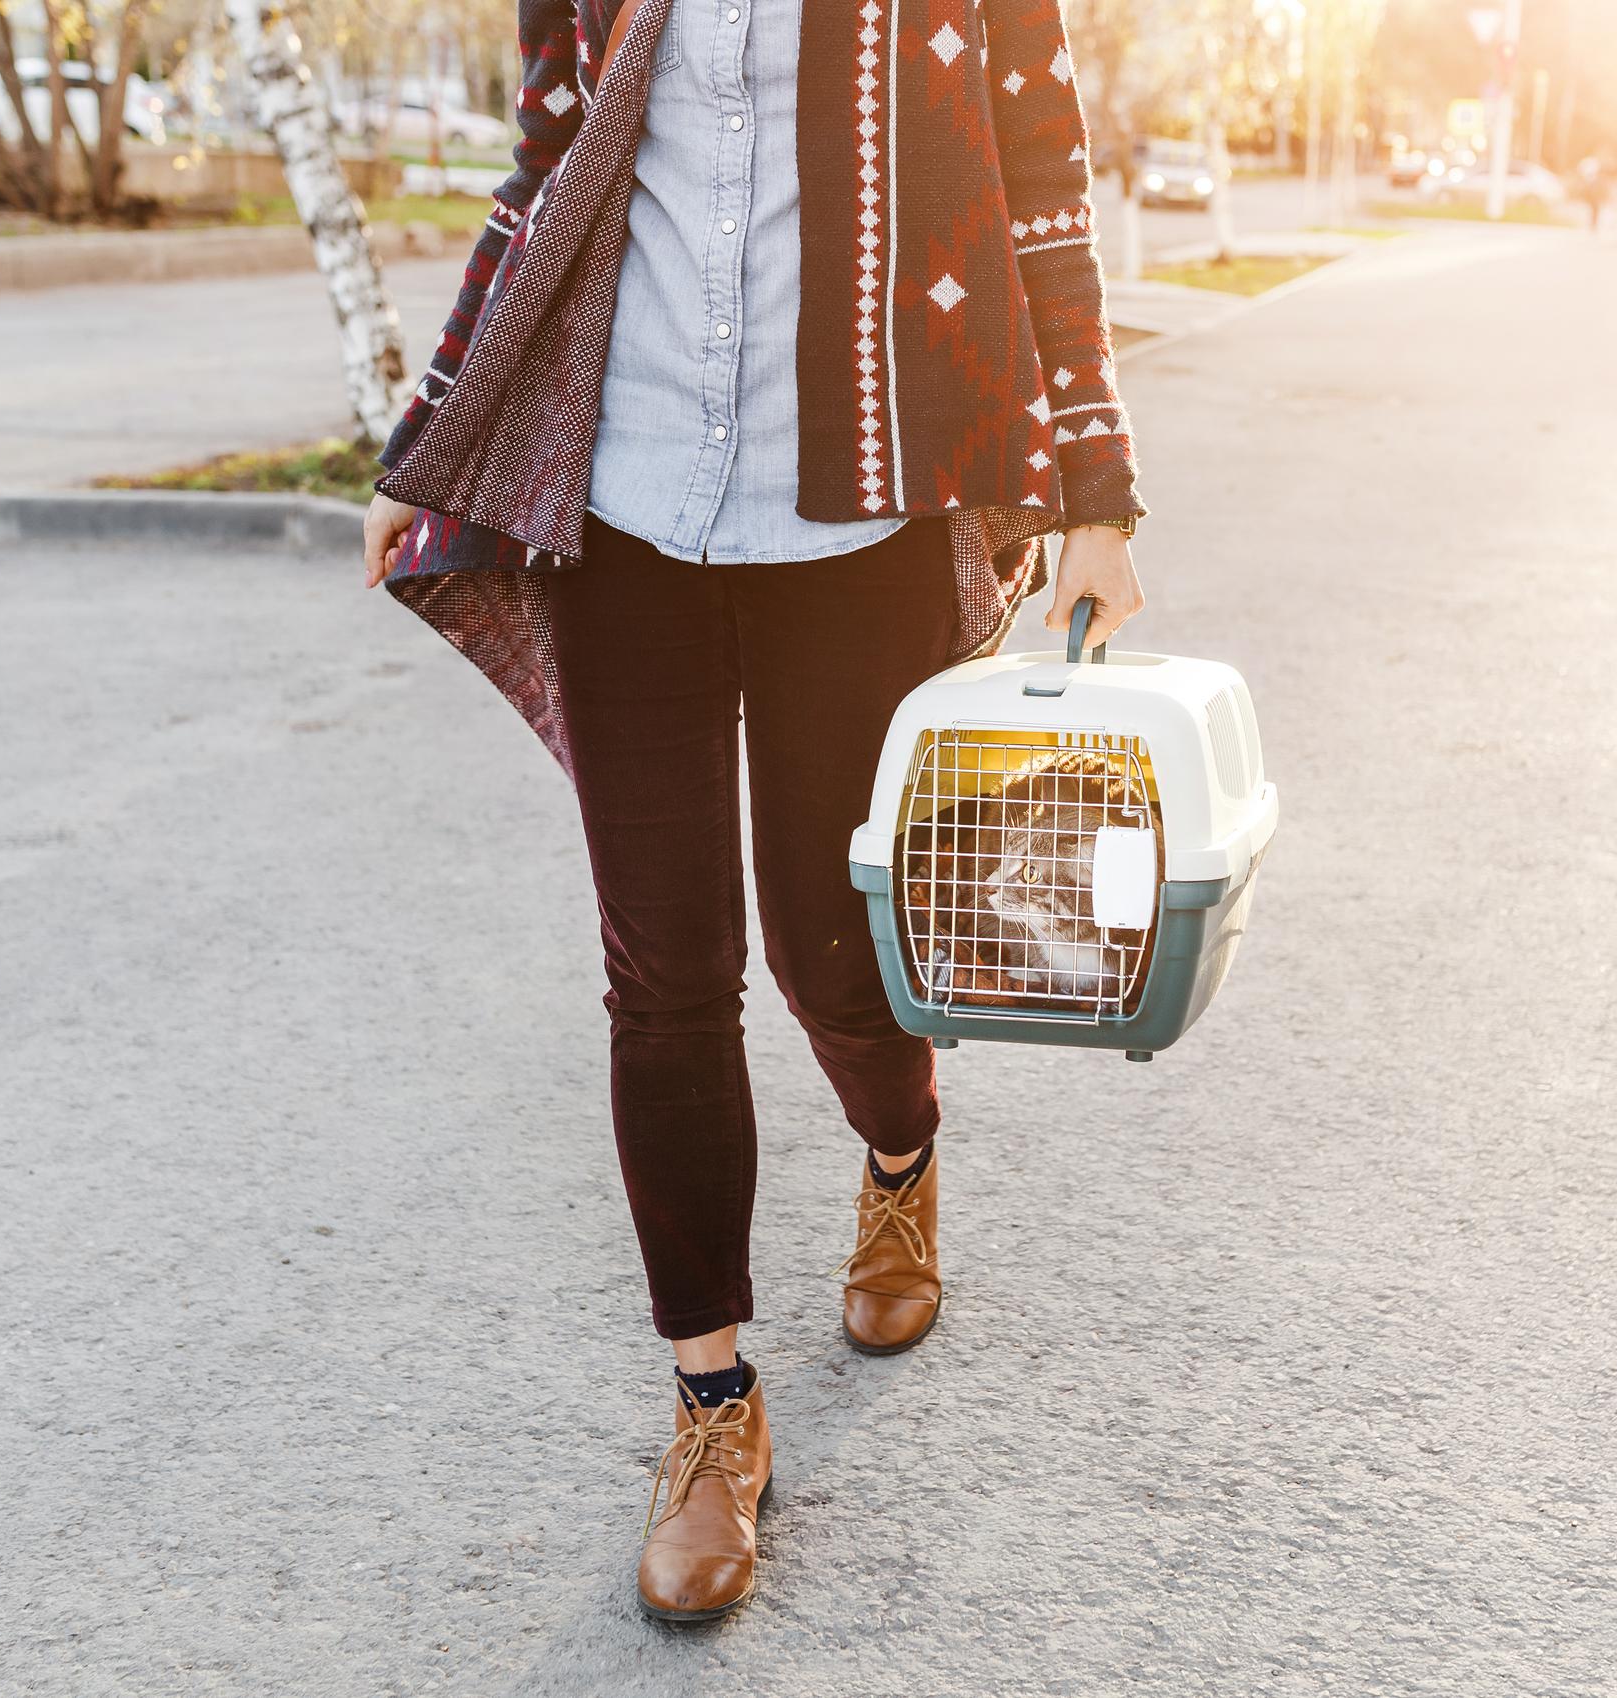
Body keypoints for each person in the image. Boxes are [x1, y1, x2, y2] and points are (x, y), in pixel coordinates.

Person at [359, 0, 1146, 1624]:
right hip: (624, 504)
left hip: (846, 524)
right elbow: (549, 162)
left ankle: (900, 1147)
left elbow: (1042, 179)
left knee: (827, 951)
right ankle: (713, 1409)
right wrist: (434, 435)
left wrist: (1099, 497)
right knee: (664, 974)